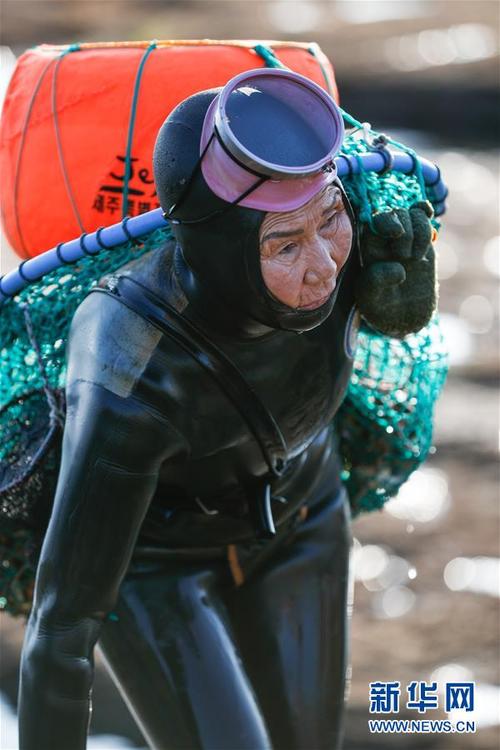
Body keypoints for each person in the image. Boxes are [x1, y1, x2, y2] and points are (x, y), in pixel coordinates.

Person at [18, 70, 437, 750]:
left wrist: (404, 297)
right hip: (154, 564)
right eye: (284, 245)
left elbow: (375, 260)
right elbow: (63, 629)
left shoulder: (356, 231)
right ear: (220, 250)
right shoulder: (131, 363)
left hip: (303, 513)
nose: (324, 267)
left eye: (328, 220)